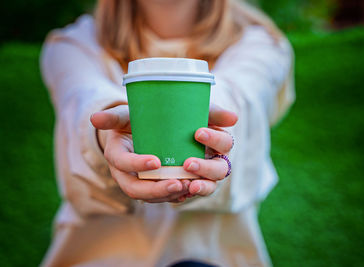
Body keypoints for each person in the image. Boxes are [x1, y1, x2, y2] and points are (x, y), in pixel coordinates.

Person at [40, 0, 295, 266]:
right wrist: (107, 136)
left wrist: (206, 136)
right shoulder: (72, 45)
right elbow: (84, 101)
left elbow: (241, 97)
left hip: (214, 256)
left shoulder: (264, 44)